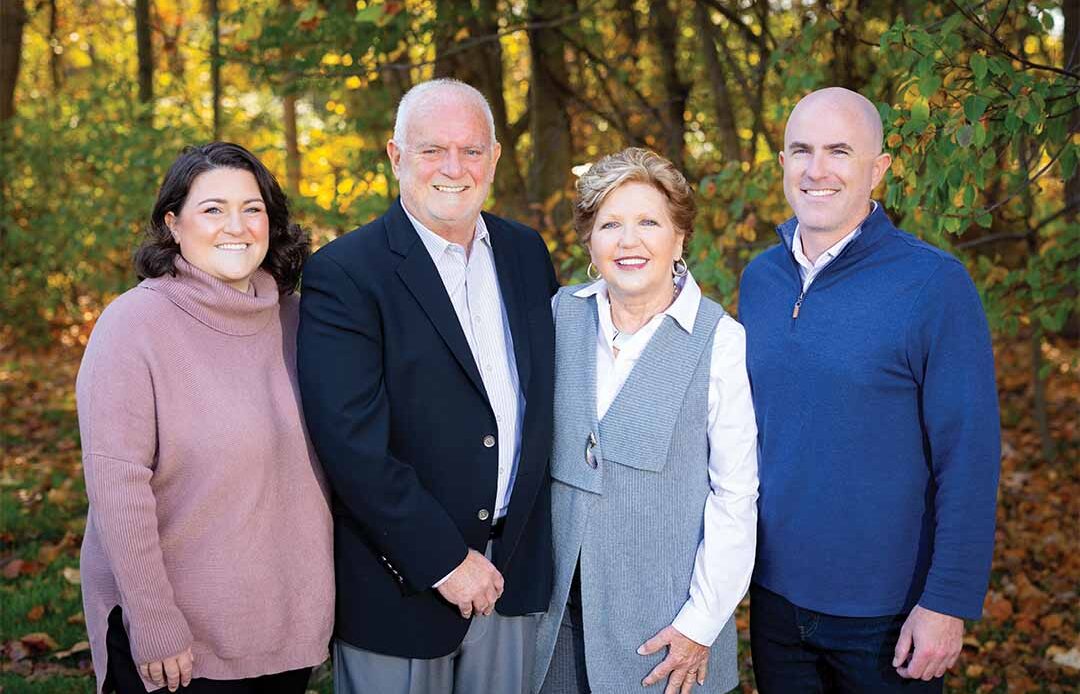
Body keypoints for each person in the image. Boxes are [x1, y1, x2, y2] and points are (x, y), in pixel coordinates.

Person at [296, 78, 559, 694]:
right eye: (432, 150)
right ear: (395, 156)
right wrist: (442, 560)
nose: (453, 168)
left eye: (471, 151)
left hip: (512, 575)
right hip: (402, 584)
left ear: (494, 158)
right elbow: (351, 443)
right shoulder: (345, 273)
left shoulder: (526, 253)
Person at [738, 87, 1001, 692]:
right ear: (781, 163)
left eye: (839, 151)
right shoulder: (761, 280)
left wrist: (947, 602)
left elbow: (969, 457)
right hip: (775, 601)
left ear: (878, 168)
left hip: (888, 615)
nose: (816, 169)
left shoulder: (933, 285)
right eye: (801, 150)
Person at [76, 141, 334, 694]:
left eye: (252, 208)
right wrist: (153, 622)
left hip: (282, 626)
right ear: (173, 224)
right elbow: (118, 489)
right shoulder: (132, 326)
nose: (235, 226)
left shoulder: (299, 319)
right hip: (179, 642)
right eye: (212, 209)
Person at [533, 147, 759, 694]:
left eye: (648, 222)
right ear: (590, 240)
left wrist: (699, 625)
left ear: (679, 237)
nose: (628, 241)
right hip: (555, 626)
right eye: (610, 224)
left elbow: (735, 495)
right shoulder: (559, 315)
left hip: (664, 637)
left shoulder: (719, 340)